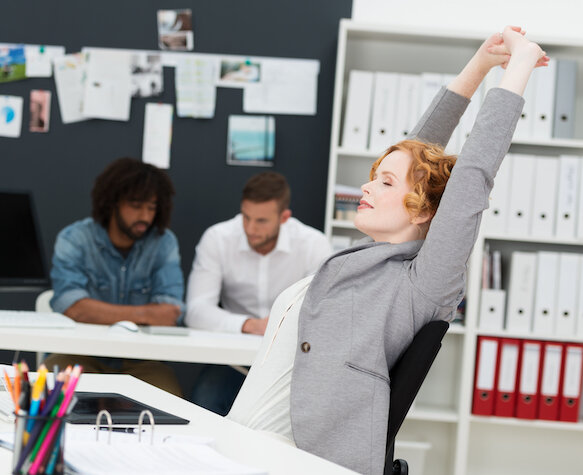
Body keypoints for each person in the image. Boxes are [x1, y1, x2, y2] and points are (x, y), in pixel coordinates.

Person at [227, 27, 548, 475]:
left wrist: (518, 67)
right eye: (375, 175)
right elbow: (418, 149)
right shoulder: (367, 258)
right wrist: (479, 65)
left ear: (423, 211)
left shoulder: (420, 285)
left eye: (385, 182)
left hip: (295, 463)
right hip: (238, 449)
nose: (366, 184)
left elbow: (473, 174)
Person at [185, 171, 333, 414]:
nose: (250, 228)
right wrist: (250, 325)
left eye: (261, 221)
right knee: (205, 400)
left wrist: (279, 327)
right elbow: (196, 310)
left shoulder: (313, 244)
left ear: (284, 217)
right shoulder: (218, 238)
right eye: (246, 217)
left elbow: (322, 312)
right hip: (231, 361)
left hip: (290, 362)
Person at [47, 157, 184, 395]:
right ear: (112, 203)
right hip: (80, 355)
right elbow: (74, 308)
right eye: (136, 205)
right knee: (49, 391)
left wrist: (96, 312)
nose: (145, 216)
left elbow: (170, 312)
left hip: (141, 362)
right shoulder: (75, 239)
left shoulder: (163, 242)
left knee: (171, 399)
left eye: (152, 208)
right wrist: (146, 314)